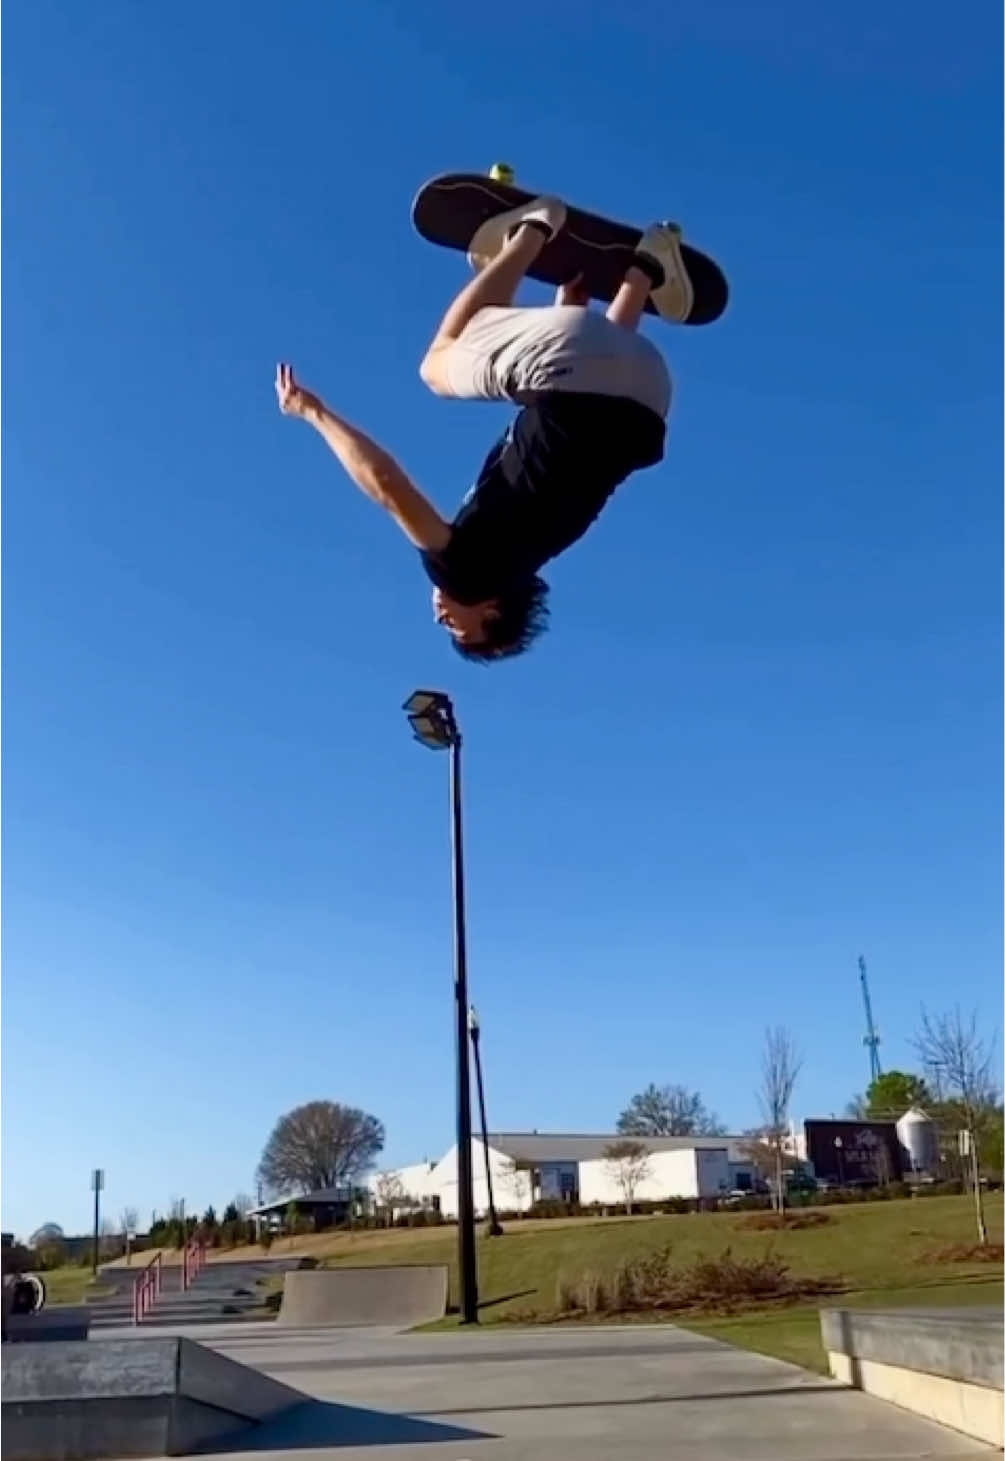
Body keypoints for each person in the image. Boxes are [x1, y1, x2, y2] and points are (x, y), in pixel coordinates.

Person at [276, 195, 694, 661]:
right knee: (436, 365)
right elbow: (386, 484)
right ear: (491, 611)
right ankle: (532, 230)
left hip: (649, 392)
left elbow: (606, 398)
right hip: (577, 374)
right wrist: (312, 412)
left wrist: (571, 315)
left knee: (582, 387)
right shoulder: (466, 575)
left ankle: (647, 266)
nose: (441, 618)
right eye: (458, 629)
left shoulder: (538, 545)